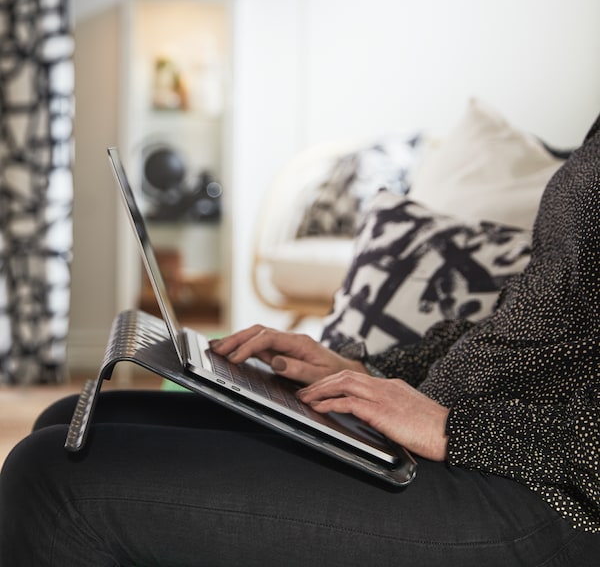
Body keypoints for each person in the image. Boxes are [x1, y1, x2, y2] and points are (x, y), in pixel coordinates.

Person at [1, 113, 599, 567]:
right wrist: (363, 367)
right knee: (76, 415)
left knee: (50, 479)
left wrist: (454, 431)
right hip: (454, 429)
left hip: (538, 489)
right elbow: (532, 324)